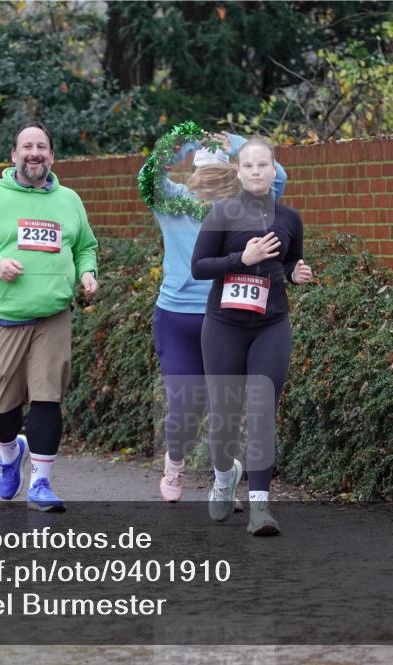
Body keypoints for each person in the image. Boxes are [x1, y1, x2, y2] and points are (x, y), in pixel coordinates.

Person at [0, 122, 98, 512]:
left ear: (52, 155)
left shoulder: (69, 200)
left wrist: (87, 272)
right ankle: (9, 453)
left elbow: (85, 246)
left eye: (42, 147)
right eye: (27, 146)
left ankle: (41, 484)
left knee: (48, 397)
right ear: (14, 155)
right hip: (4, 316)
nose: (35, 153)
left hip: (53, 314)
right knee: (3, 407)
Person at [144, 132, 287, 505]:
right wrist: (186, 140)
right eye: (203, 173)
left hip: (225, 317)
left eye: (219, 174)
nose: (209, 182)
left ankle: (223, 481)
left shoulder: (242, 208)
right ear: (193, 174)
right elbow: (149, 175)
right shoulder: (173, 203)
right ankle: (175, 462)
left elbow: (278, 176)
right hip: (177, 317)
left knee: (225, 407)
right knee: (184, 404)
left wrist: (235, 143)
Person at [190, 137, 312, 536]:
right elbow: (199, 267)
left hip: (271, 325)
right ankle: (224, 478)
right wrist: (241, 259)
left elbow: (290, 260)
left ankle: (260, 507)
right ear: (239, 173)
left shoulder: (289, 218)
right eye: (249, 166)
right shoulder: (222, 213)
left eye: (263, 165)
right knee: (224, 417)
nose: (257, 171)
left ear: (274, 171)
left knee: (261, 412)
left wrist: (296, 273)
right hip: (224, 326)